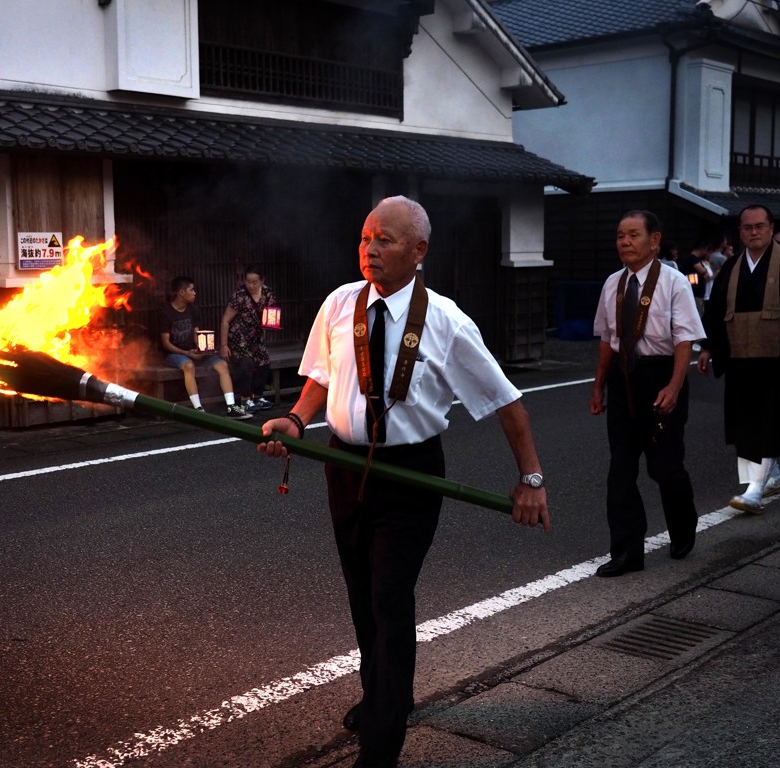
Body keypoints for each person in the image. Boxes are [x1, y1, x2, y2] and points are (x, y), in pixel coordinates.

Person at [256, 195, 549, 768]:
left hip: (410, 472)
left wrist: (531, 477)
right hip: (345, 465)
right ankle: (385, 696)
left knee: (390, 596)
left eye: (384, 239)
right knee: (363, 592)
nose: (370, 249)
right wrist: (294, 419)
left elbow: (506, 403)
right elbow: (321, 377)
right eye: (365, 237)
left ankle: (382, 743)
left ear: (419, 251)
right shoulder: (341, 303)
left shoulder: (446, 320)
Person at [589, 210, 704, 577]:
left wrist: (674, 385)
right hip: (623, 380)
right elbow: (608, 339)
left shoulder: (674, 282)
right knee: (620, 469)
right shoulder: (612, 284)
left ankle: (684, 526)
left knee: (664, 467)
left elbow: (685, 337)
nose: (625, 242)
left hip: (660, 376)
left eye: (633, 234)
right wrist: (598, 386)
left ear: (654, 240)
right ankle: (626, 553)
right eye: (620, 235)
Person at [696, 205, 780, 513]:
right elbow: (715, 309)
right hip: (739, 357)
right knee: (744, 422)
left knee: (767, 420)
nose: (754, 232)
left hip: (778, 358)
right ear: (740, 232)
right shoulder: (732, 266)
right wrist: (709, 346)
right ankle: (770, 475)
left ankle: (754, 489)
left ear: (771, 228)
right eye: (747, 227)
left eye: (760, 226)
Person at [159, 275, 252, 419]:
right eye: (191, 290)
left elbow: (197, 334)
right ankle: (198, 409)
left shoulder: (193, 310)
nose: (195, 293)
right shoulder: (166, 312)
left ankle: (231, 406)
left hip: (192, 351)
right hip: (174, 354)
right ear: (181, 292)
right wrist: (187, 353)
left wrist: (203, 349)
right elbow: (166, 343)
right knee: (189, 366)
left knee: (222, 364)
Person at [220, 266, 277, 413]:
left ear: (262, 281)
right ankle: (245, 400)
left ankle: (257, 397)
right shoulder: (239, 296)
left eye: (254, 282)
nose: (251, 285)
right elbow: (225, 320)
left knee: (264, 364)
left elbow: (270, 315)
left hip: (257, 338)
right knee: (247, 364)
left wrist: (272, 324)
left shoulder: (267, 293)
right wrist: (224, 345)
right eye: (248, 281)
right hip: (239, 338)